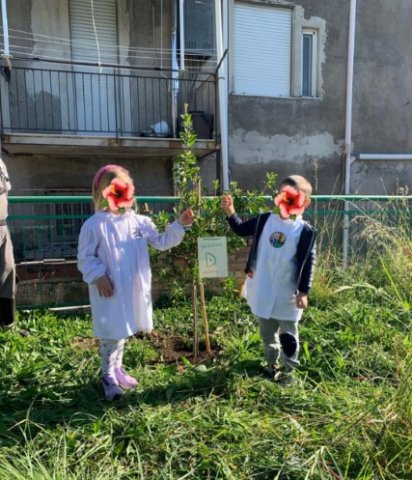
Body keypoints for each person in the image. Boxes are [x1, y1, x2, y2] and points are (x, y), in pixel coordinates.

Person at [78, 164, 194, 400]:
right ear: (104, 193)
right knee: (111, 333)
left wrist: (179, 224)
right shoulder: (95, 225)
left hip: (131, 290)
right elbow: (85, 257)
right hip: (109, 290)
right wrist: (99, 276)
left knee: (123, 331)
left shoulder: (140, 222)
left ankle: (118, 369)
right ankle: (107, 375)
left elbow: (161, 242)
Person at [221, 175, 317, 384]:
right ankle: (271, 364)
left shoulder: (305, 231)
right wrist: (230, 211)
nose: (285, 201)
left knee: (289, 335)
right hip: (263, 288)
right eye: (281, 195)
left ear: (305, 202)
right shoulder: (265, 220)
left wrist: (303, 291)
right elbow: (240, 229)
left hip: (287, 293)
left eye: (291, 197)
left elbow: (309, 261)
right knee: (267, 332)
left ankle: (289, 372)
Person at [0, 158, 17, 329]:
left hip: (2, 226)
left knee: (8, 271)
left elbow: (6, 190)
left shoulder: (1, 163)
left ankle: (8, 324)